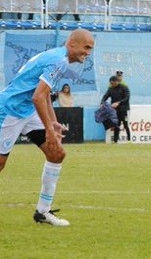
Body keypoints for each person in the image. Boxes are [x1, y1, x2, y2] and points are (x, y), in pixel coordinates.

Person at [0, 29, 95, 226]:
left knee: (56, 153)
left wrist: (52, 121)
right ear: (73, 43)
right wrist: (50, 131)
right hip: (10, 110)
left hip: (26, 110)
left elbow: (44, 95)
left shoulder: (58, 57)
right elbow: (38, 97)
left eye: (90, 49)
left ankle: (43, 212)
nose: (88, 52)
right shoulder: (59, 60)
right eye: (86, 47)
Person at [100, 75, 131, 143]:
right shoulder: (110, 89)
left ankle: (129, 139)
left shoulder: (124, 88)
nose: (111, 84)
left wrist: (118, 103)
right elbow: (105, 96)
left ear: (117, 81)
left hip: (124, 109)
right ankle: (115, 141)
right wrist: (102, 103)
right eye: (111, 83)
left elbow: (127, 98)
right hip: (115, 110)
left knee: (126, 124)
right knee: (116, 124)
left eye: (112, 83)